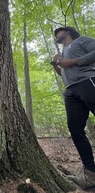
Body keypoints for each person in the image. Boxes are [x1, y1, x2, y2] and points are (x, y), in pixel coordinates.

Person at [52, 26, 95, 190]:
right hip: (70, 90)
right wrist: (56, 64)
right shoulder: (63, 54)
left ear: (67, 32)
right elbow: (63, 73)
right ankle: (91, 174)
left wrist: (73, 61)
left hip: (88, 81)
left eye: (58, 33)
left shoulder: (81, 41)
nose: (56, 36)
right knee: (75, 130)